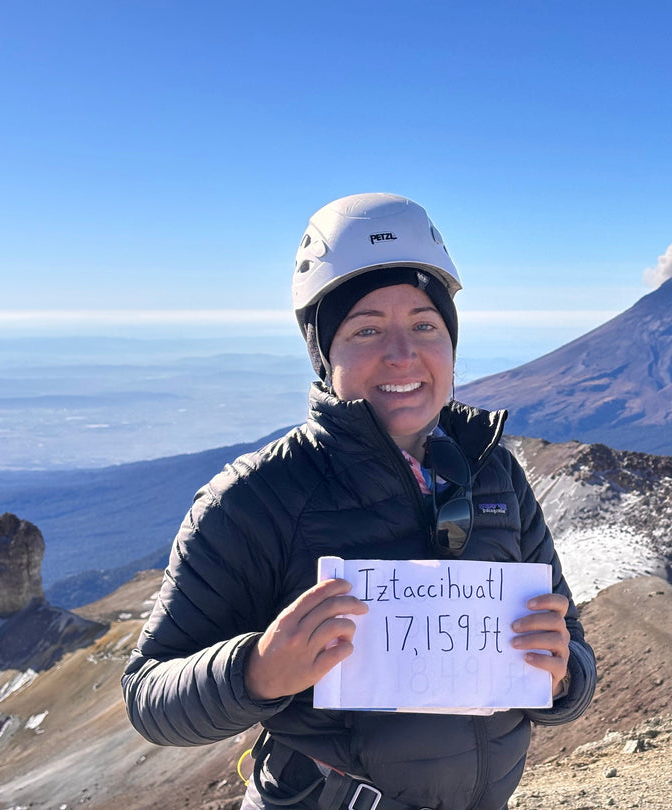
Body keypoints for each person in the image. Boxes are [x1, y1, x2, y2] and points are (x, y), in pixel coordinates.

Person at [122, 192, 597, 810]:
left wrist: (563, 677)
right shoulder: (254, 498)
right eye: (366, 329)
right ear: (323, 354)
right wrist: (257, 673)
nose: (402, 354)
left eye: (425, 324)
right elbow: (148, 697)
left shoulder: (495, 472)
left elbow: (572, 649)